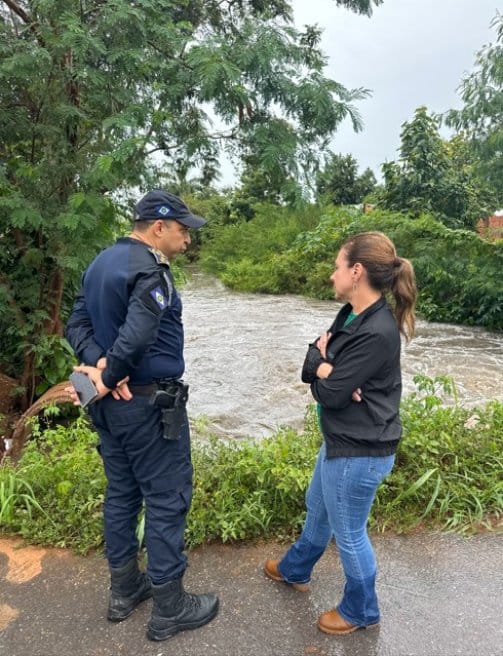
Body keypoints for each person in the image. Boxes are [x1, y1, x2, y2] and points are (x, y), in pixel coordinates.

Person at [65, 189, 219, 642]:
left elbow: (76, 323)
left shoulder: (100, 263)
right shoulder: (150, 271)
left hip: (108, 410)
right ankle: (171, 607)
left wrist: (96, 369)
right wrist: (110, 372)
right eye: (182, 229)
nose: (188, 238)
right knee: (167, 496)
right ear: (158, 227)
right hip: (148, 405)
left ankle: (124, 590)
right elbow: (136, 336)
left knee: (122, 494)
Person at [264, 231, 417, 635]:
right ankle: (297, 567)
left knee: (349, 533)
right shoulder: (351, 313)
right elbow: (312, 360)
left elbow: (329, 395)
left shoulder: (377, 331)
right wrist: (325, 366)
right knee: (318, 503)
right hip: (342, 439)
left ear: (357, 270)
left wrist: (326, 372)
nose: (331, 276)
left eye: (336, 267)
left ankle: (361, 609)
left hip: (361, 449)